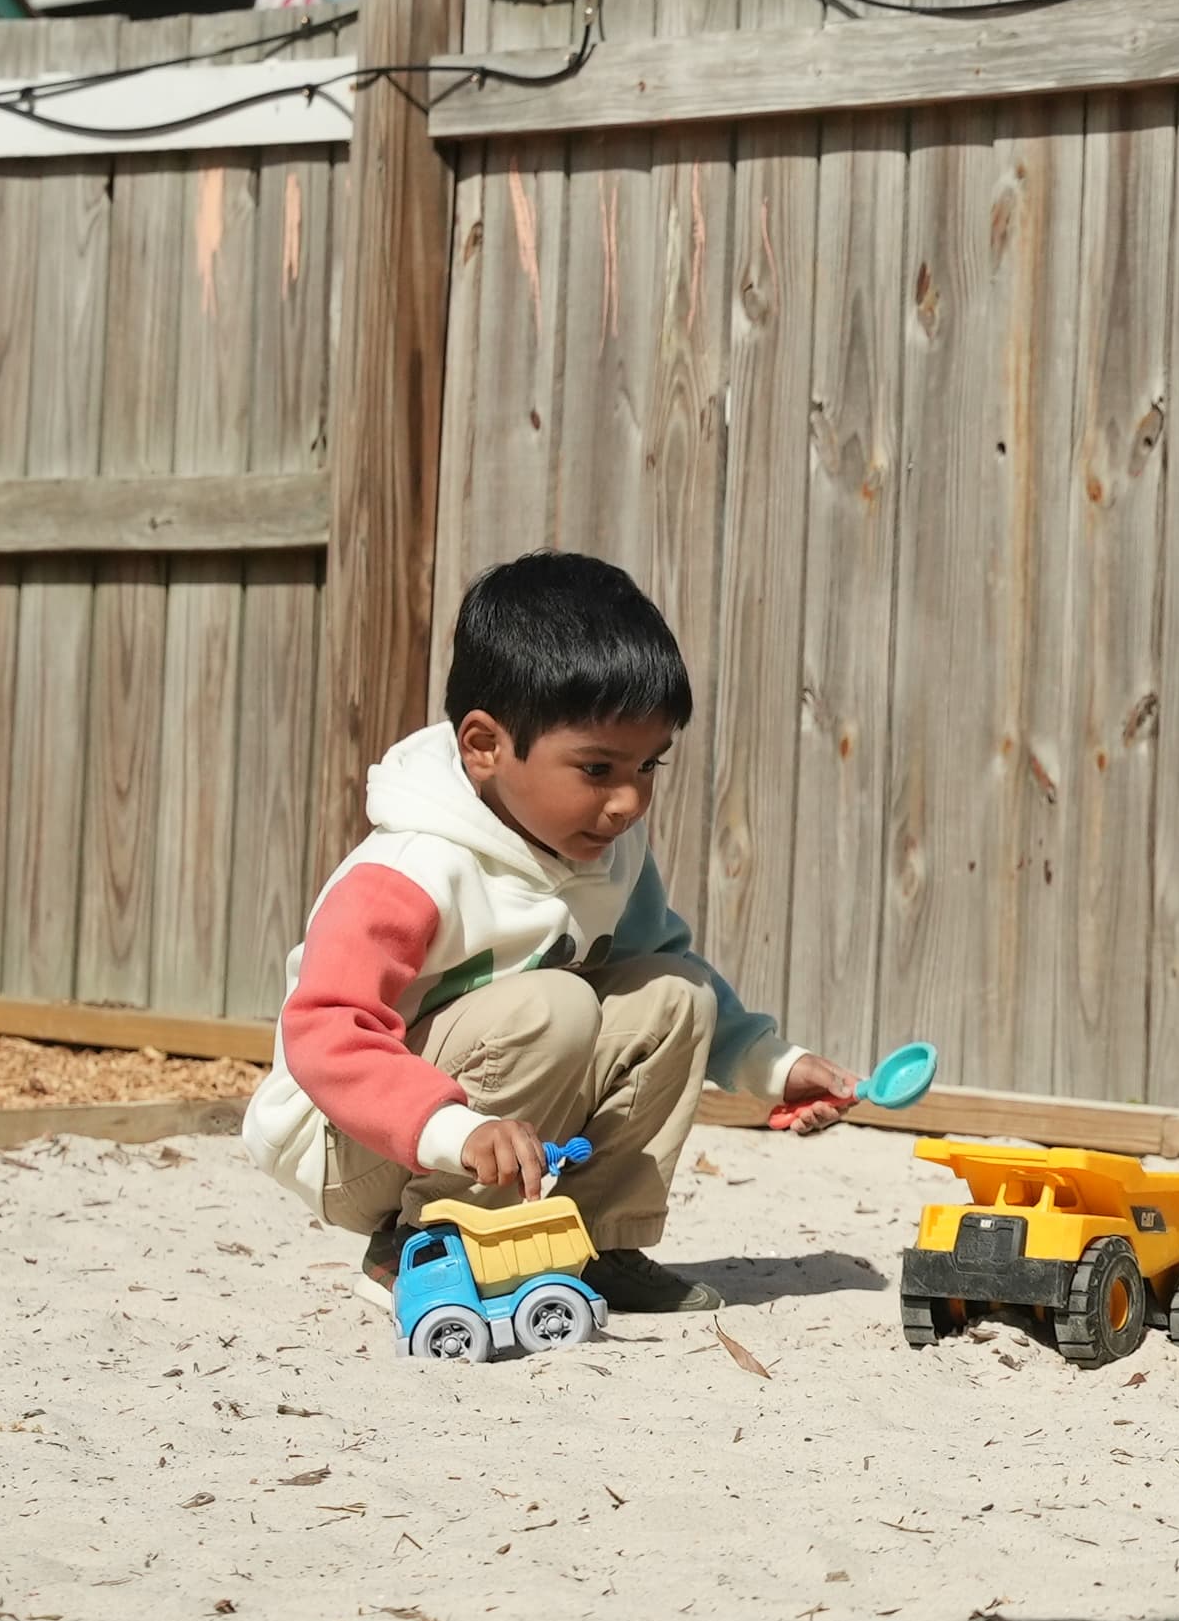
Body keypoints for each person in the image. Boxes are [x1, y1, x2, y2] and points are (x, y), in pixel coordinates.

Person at [243, 552, 851, 1317]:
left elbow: (660, 961)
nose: (630, 800)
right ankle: (424, 1243)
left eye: (649, 765)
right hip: (351, 1139)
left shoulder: (607, 853)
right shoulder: (413, 867)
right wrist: (448, 1129)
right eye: (598, 768)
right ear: (485, 746)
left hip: (493, 1112)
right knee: (555, 1003)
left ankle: (595, 1241)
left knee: (676, 993)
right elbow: (327, 1026)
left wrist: (768, 1063)